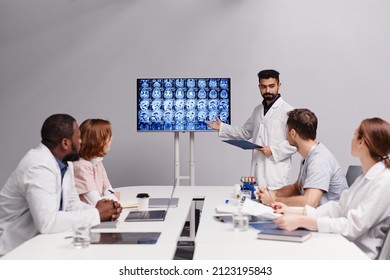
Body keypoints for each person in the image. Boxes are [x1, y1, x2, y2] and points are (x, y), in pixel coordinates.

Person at [0, 114, 122, 256]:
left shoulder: (65, 164)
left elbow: (72, 204)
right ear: (65, 143)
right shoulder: (39, 166)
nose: (82, 142)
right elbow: (47, 223)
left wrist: (106, 211)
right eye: (78, 137)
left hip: (37, 244)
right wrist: (96, 214)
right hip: (11, 251)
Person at [272, 117, 390, 259]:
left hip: (359, 254)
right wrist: (294, 211)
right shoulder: (365, 177)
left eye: (354, 134)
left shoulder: (384, 182)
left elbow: (352, 227)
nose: (351, 138)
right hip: (344, 244)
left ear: (361, 142)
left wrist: (301, 220)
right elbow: (339, 208)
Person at [206, 69, 296, 189]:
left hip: (276, 175)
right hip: (258, 171)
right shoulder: (257, 110)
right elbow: (245, 132)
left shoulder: (289, 111)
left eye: (272, 86)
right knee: (256, 202)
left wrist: (273, 150)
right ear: (259, 87)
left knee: (275, 206)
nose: (268, 90)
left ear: (279, 85)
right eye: (263, 87)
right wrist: (222, 127)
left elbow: (296, 143)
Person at [258, 108, 348, 207]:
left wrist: (273, 201)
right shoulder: (310, 156)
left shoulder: (319, 161)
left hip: (328, 219)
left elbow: (310, 202)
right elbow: (296, 188)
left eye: (286, 130)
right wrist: (271, 193)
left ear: (293, 133)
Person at [73, 119, 120, 206]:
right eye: (108, 136)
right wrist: (114, 197)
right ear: (96, 141)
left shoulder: (97, 162)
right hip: (86, 216)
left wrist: (111, 196)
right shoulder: (81, 166)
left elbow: (108, 189)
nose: (111, 138)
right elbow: (98, 204)